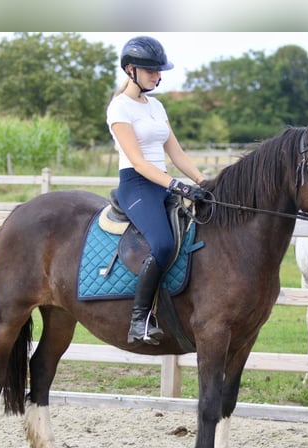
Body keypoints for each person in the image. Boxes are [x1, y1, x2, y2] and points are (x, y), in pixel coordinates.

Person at [106, 35, 208, 345]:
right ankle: (139, 319)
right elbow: (137, 162)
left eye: (158, 71)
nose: (157, 76)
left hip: (161, 182)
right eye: (151, 71)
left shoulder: (156, 106)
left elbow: (176, 153)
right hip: (137, 186)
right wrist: (178, 185)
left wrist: (204, 183)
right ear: (130, 70)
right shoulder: (119, 108)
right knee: (162, 244)